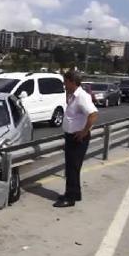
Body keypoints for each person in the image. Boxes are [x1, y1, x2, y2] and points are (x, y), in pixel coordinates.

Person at [53, 70, 98, 208]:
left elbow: (93, 114)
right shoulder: (74, 95)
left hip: (77, 138)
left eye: (65, 81)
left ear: (72, 82)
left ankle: (70, 198)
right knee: (73, 167)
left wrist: (84, 132)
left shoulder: (81, 96)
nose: (64, 84)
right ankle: (75, 193)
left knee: (72, 168)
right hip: (71, 136)